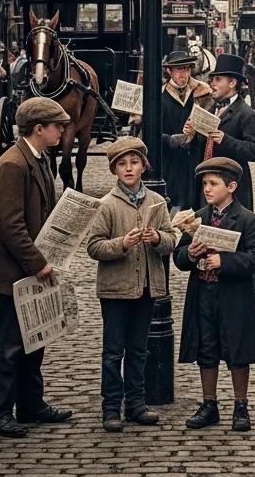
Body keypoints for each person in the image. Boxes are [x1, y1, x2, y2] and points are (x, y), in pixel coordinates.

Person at [0, 97, 73, 438]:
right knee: (7, 344)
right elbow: (9, 226)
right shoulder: (12, 166)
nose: (62, 130)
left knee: (35, 338)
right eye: (57, 126)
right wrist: (40, 263)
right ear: (38, 129)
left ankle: (31, 405)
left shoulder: (38, 159)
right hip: (8, 272)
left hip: (28, 268)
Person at [86, 137, 175, 432]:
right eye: (122, 164)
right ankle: (111, 406)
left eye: (134, 163)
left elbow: (172, 239)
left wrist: (158, 239)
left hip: (147, 287)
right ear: (114, 169)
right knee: (113, 352)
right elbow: (94, 247)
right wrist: (122, 243)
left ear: (143, 166)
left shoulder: (157, 202)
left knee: (139, 349)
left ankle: (136, 403)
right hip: (116, 289)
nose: (128, 168)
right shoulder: (107, 205)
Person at [175, 157, 255, 432]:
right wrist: (189, 254)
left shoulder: (247, 219)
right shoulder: (198, 218)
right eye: (205, 183)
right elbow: (179, 259)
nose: (207, 188)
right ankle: (209, 404)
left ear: (231, 186)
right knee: (206, 347)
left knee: (237, 349)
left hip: (234, 296)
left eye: (213, 183)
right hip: (203, 292)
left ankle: (241, 404)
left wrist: (226, 262)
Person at [205, 53, 255, 302]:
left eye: (217, 79)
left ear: (232, 83)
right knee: (212, 227)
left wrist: (226, 141)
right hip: (211, 180)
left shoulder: (246, 114)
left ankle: (254, 282)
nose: (213, 84)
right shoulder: (211, 108)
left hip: (235, 184)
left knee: (240, 231)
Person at [159, 42, 215, 212]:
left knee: (196, 200)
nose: (183, 73)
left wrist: (195, 134)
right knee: (173, 201)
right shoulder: (160, 95)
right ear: (169, 71)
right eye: (178, 69)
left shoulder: (203, 92)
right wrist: (172, 140)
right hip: (170, 159)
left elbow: (212, 125)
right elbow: (151, 132)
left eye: (186, 68)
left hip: (195, 157)